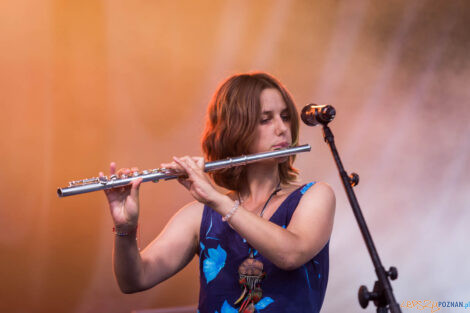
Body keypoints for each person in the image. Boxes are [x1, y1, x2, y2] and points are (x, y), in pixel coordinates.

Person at [101, 72, 335, 313]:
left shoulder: (314, 196)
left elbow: (291, 254)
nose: (282, 129)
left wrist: (217, 200)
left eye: (285, 117)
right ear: (236, 130)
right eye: (265, 119)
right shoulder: (198, 216)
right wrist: (125, 229)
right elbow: (134, 280)